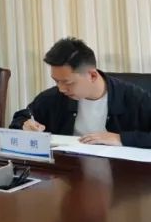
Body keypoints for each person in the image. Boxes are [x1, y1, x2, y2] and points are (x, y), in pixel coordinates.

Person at [10, 37, 151, 147]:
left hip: (121, 171)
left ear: (92, 75)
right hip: (69, 169)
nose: (61, 88)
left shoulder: (134, 98)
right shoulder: (54, 97)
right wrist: (25, 124)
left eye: (68, 82)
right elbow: (22, 118)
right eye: (56, 81)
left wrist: (121, 138)